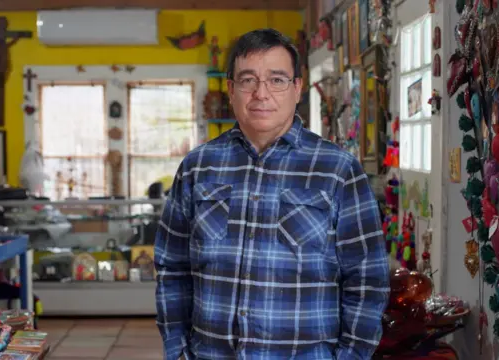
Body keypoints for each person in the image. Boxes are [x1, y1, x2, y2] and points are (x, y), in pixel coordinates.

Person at [155, 28, 390, 360]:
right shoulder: (198, 167)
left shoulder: (337, 170)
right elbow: (172, 267)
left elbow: (367, 280)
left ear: (296, 89)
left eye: (277, 80)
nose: (261, 94)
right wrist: (177, 349)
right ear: (231, 89)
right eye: (248, 80)